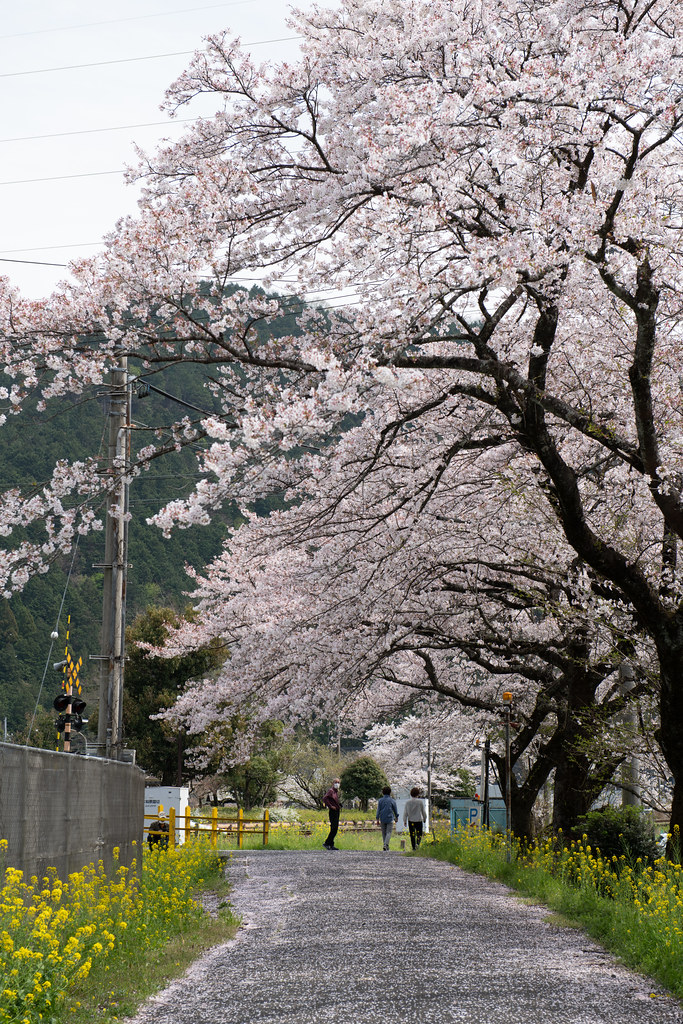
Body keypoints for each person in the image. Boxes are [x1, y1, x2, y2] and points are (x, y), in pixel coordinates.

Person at [376, 785, 399, 851]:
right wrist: (396, 817)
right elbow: (395, 810)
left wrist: (377, 819)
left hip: (382, 818)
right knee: (388, 832)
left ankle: (385, 845)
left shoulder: (380, 800)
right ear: (390, 792)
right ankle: (386, 845)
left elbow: (378, 810)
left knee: (384, 833)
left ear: (383, 792)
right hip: (390, 818)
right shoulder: (392, 800)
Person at [322, 778, 342, 850]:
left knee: (335, 828)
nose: (337, 784)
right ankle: (327, 843)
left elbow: (333, 800)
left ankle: (331, 844)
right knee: (334, 828)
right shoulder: (331, 791)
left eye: (338, 782)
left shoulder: (335, 792)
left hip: (336, 811)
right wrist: (330, 806)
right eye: (336, 782)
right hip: (333, 811)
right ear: (333, 783)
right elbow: (325, 798)